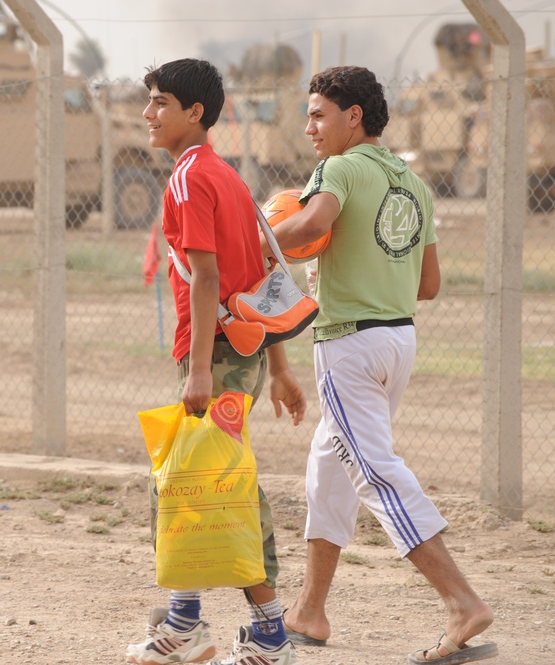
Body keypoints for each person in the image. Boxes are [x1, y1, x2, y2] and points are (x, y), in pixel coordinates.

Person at [266, 65, 498, 665]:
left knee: (373, 470)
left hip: (348, 345)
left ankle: (461, 601)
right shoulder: (413, 183)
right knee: (330, 468)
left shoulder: (339, 169)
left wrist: (258, 237)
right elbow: (430, 284)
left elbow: (314, 222)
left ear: (354, 117)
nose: (310, 126)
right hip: (398, 341)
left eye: (319, 114)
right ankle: (309, 612)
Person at [126, 58, 307, 665]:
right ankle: (188, 622)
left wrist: (200, 367)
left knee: (212, 484)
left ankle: (263, 631)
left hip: (218, 354)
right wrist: (279, 370)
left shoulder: (187, 179)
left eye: (159, 102)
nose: (147, 114)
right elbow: (261, 280)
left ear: (194, 112)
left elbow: (208, 279)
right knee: (200, 481)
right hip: (243, 350)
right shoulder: (228, 178)